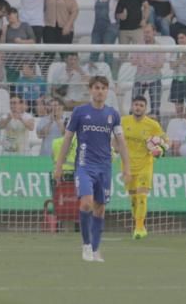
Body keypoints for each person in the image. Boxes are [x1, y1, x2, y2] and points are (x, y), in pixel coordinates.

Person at [53, 76, 131, 262]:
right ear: (90, 90)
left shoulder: (113, 114)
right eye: (97, 87)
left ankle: (96, 249)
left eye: (104, 88)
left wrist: (126, 167)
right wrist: (59, 165)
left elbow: (121, 141)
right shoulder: (80, 112)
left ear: (107, 91)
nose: (100, 91)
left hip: (105, 167)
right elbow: (67, 139)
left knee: (100, 208)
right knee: (86, 203)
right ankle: (86, 245)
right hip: (84, 166)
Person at [122, 96, 165, 239]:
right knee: (133, 198)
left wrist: (159, 151)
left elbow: (165, 142)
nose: (138, 107)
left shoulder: (153, 125)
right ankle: (138, 225)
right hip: (128, 165)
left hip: (145, 165)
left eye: (141, 105)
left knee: (141, 195)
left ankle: (139, 228)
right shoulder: (123, 122)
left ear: (145, 108)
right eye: (136, 105)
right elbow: (116, 140)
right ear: (132, 106)